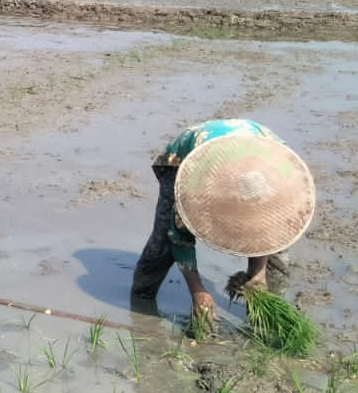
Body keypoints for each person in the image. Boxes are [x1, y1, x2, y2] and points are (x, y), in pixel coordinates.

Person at [131, 119, 314, 332]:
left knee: (277, 254)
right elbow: (179, 237)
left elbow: (269, 233)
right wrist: (198, 291)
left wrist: (258, 271)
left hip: (257, 153)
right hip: (186, 158)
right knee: (163, 241)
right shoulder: (197, 186)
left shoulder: (280, 180)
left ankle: (263, 318)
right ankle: (141, 301)